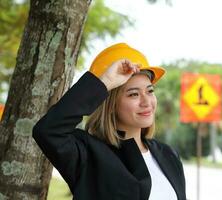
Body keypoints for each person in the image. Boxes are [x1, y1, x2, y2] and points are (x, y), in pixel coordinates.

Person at [33, 43, 186, 200]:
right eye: (133, 94)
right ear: (110, 105)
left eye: (150, 91)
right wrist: (105, 81)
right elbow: (48, 130)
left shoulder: (168, 154)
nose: (146, 102)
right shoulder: (88, 154)